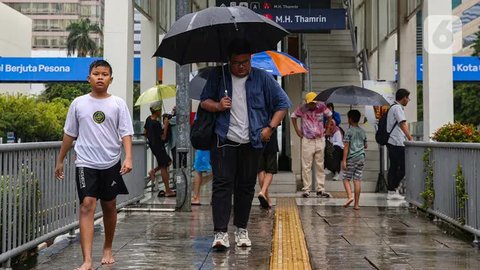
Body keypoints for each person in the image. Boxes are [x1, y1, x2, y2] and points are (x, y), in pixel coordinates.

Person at [200, 40, 291, 250]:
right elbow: (204, 101)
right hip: (224, 139)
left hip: (252, 141)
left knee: (246, 187)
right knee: (222, 185)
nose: (241, 66)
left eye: (245, 61)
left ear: (251, 58)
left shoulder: (262, 78)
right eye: (236, 63)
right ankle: (220, 233)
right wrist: (217, 105)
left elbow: (283, 104)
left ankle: (242, 229)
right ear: (228, 61)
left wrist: (270, 127)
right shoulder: (218, 75)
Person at [54, 60, 133, 270]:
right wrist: (60, 159)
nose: (100, 77)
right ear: (89, 78)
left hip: (110, 162)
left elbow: (125, 132)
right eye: (96, 73)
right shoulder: (78, 103)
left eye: (104, 74)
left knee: (109, 205)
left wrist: (128, 157)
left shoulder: (117, 103)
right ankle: (87, 259)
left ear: (111, 79)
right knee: (87, 204)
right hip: (85, 162)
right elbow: (70, 133)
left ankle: (107, 247)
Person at [291, 92, 332, 198]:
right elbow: (293, 116)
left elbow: (330, 115)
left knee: (320, 165)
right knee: (306, 166)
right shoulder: (302, 108)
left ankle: (320, 189)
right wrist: (297, 130)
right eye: (310, 103)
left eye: (313, 103)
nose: (312, 105)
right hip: (307, 140)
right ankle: (306, 189)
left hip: (319, 139)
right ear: (307, 102)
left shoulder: (321, 107)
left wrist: (327, 129)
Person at [144, 101, 176, 198]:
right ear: (157, 110)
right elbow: (163, 137)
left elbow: (145, 131)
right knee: (164, 166)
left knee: (168, 162)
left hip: (153, 146)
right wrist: (166, 125)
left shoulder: (148, 119)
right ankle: (167, 190)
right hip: (159, 147)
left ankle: (153, 171)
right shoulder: (156, 123)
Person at [386, 88, 413, 200]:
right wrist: (410, 138)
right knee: (404, 166)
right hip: (396, 142)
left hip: (392, 141)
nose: (408, 100)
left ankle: (391, 190)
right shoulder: (397, 108)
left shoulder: (393, 107)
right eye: (408, 98)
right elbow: (402, 124)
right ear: (403, 98)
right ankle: (393, 188)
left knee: (393, 166)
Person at [341, 110, 367, 210]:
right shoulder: (362, 131)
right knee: (357, 180)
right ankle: (356, 205)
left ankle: (349, 196)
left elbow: (346, 146)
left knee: (346, 179)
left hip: (352, 158)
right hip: (361, 158)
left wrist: (344, 160)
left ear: (350, 119)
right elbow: (365, 145)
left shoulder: (349, 131)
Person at [257, 129, 278, 209]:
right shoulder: (273, 115)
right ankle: (263, 192)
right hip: (271, 140)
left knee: (260, 170)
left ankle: (266, 197)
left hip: (258, 140)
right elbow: (276, 122)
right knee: (270, 171)